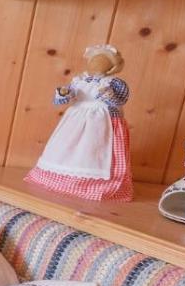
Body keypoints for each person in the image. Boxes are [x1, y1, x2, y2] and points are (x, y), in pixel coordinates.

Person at [24, 44, 134, 202]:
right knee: (64, 147)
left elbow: (120, 100)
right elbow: (62, 100)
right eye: (94, 59)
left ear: (112, 66)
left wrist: (107, 95)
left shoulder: (113, 83)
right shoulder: (79, 80)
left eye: (102, 60)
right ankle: (54, 178)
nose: (96, 62)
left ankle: (92, 185)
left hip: (102, 121)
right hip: (74, 120)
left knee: (94, 148)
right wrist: (64, 93)